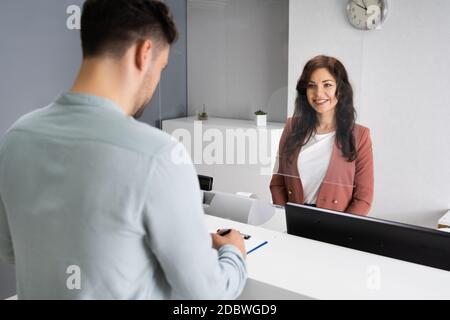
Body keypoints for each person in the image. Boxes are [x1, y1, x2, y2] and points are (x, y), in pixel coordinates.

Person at [0, 0, 247, 300]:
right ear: (144, 53)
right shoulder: (160, 156)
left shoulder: (15, 139)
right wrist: (233, 252)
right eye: (161, 67)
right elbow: (209, 296)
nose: (156, 81)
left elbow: (12, 251)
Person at [270, 55, 374, 216]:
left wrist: (342, 230)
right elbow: (277, 183)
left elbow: (363, 197)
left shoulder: (360, 136)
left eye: (327, 85)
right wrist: (284, 217)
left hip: (335, 225)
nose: (319, 93)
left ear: (341, 89)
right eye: (312, 85)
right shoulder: (292, 127)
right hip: (293, 220)